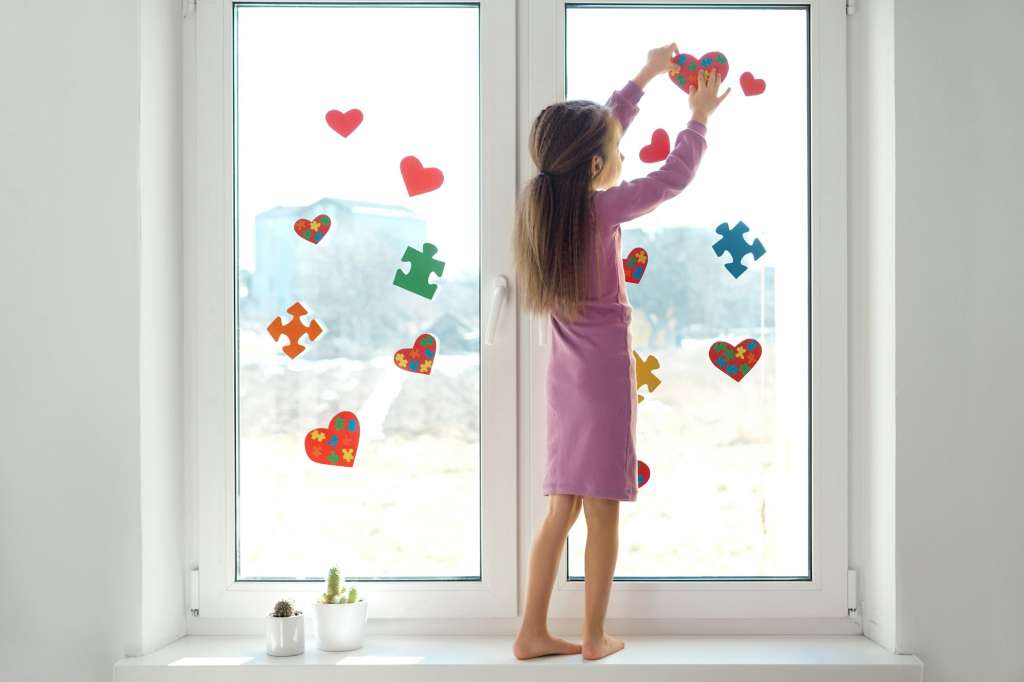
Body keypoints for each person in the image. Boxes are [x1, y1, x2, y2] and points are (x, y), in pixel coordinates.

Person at [511, 44, 729, 661]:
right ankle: (592, 636)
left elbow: (591, 140)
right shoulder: (600, 208)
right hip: (602, 374)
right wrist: (699, 117)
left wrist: (644, 78)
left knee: (563, 507)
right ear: (598, 165)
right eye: (617, 154)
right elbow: (671, 180)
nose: (623, 158)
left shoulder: (545, 204)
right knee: (603, 506)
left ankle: (531, 630)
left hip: (564, 376)